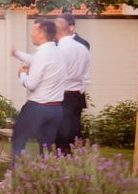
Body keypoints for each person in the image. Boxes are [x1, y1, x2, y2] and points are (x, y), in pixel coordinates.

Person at [8, 18, 66, 164]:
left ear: (41, 34)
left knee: (19, 140)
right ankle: (42, 180)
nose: (31, 34)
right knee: (45, 149)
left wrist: (22, 74)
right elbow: (34, 59)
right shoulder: (58, 52)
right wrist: (17, 54)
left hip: (37, 108)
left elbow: (31, 84)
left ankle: (15, 180)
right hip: (56, 110)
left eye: (34, 31)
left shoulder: (42, 55)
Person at [54, 13, 92, 149]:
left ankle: (64, 159)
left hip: (67, 94)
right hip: (75, 93)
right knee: (69, 131)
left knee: (67, 132)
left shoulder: (80, 44)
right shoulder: (80, 48)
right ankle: (68, 160)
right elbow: (87, 73)